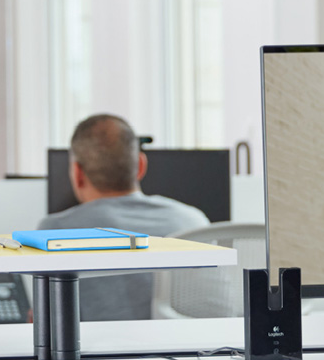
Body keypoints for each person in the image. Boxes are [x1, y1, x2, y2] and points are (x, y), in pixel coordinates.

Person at [38, 114, 209, 321]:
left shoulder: (55, 232)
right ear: (140, 165)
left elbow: (49, 323)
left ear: (77, 173)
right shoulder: (194, 220)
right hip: (194, 350)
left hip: (105, 352)